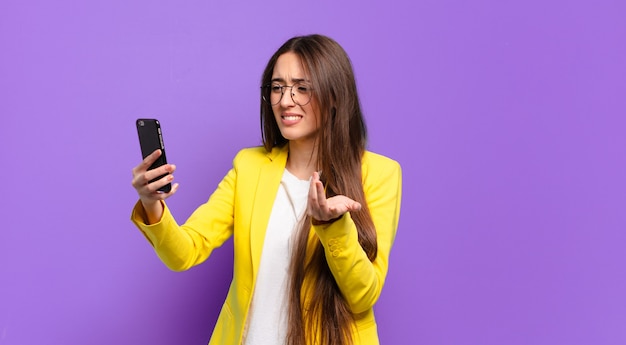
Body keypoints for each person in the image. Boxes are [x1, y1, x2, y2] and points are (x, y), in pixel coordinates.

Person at [130, 34, 402, 345]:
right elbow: (184, 253)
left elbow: (363, 296)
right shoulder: (249, 166)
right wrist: (151, 203)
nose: (286, 100)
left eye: (302, 87)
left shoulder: (380, 174)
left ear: (335, 96)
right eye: (277, 87)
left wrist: (332, 226)